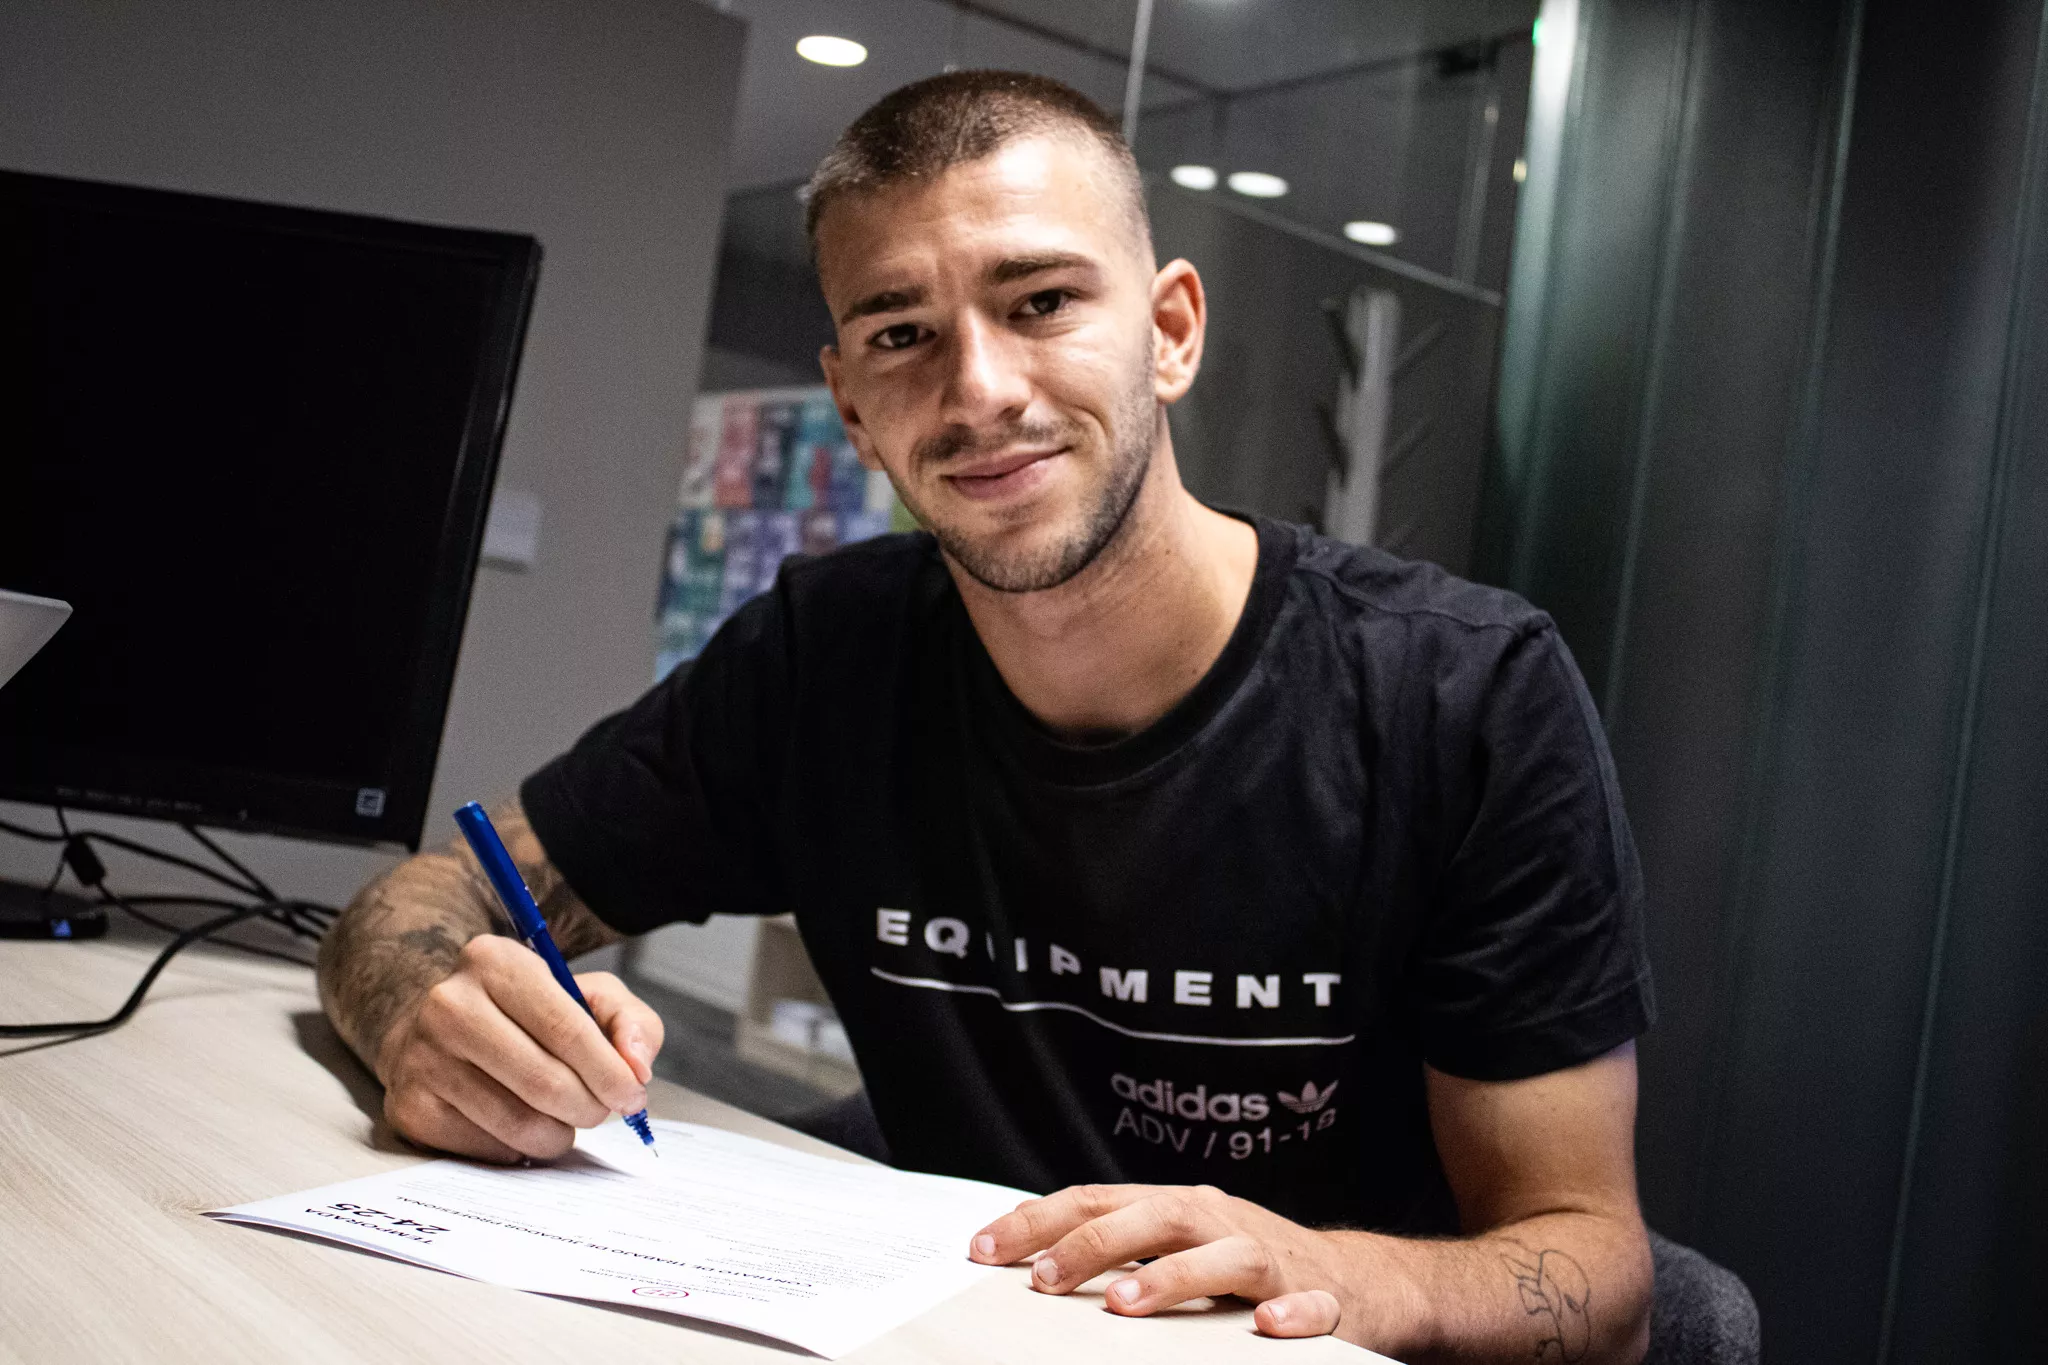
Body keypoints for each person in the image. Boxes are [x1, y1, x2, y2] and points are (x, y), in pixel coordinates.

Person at [318, 71, 1655, 1363]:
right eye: (903, 335)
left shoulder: (1459, 693)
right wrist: (422, 1009)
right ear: (850, 399)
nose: (978, 392)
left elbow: (1598, 1278)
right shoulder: (821, 656)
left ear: (1172, 331)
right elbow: (435, 898)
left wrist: (1337, 1269)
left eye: (1042, 301)